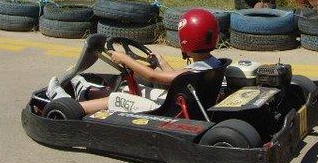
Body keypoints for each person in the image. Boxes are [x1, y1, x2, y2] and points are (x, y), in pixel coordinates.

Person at [48, 9, 223, 116]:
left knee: (118, 98)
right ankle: (85, 91)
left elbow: (152, 76)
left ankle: (65, 103)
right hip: (186, 104)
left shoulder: (193, 72)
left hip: (167, 112)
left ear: (186, 40)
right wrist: (161, 61)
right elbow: (177, 81)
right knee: (130, 88)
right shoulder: (212, 64)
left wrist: (125, 59)